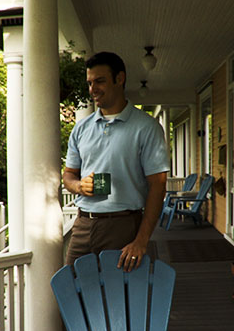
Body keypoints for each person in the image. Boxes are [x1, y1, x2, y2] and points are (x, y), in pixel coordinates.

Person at [63, 51, 170, 271]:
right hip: (83, 225)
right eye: (90, 83)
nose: (93, 89)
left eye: (100, 81)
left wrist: (141, 241)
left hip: (124, 226)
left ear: (119, 79)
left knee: (119, 290)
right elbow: (68, 175)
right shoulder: (81, 128)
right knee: (72, 286)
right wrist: (79, 186)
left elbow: (158, 186)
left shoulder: (146, 127)